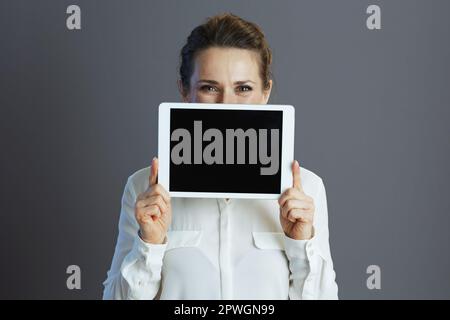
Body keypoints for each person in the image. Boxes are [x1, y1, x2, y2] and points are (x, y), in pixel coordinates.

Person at [102, 13, 338, 300]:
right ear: (185, 92)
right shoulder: (144, 190)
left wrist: (301, 242)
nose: (227, 103)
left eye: (244, 89)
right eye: (209, 88)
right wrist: (149, 243)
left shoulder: (306, 192)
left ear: (265, 93)